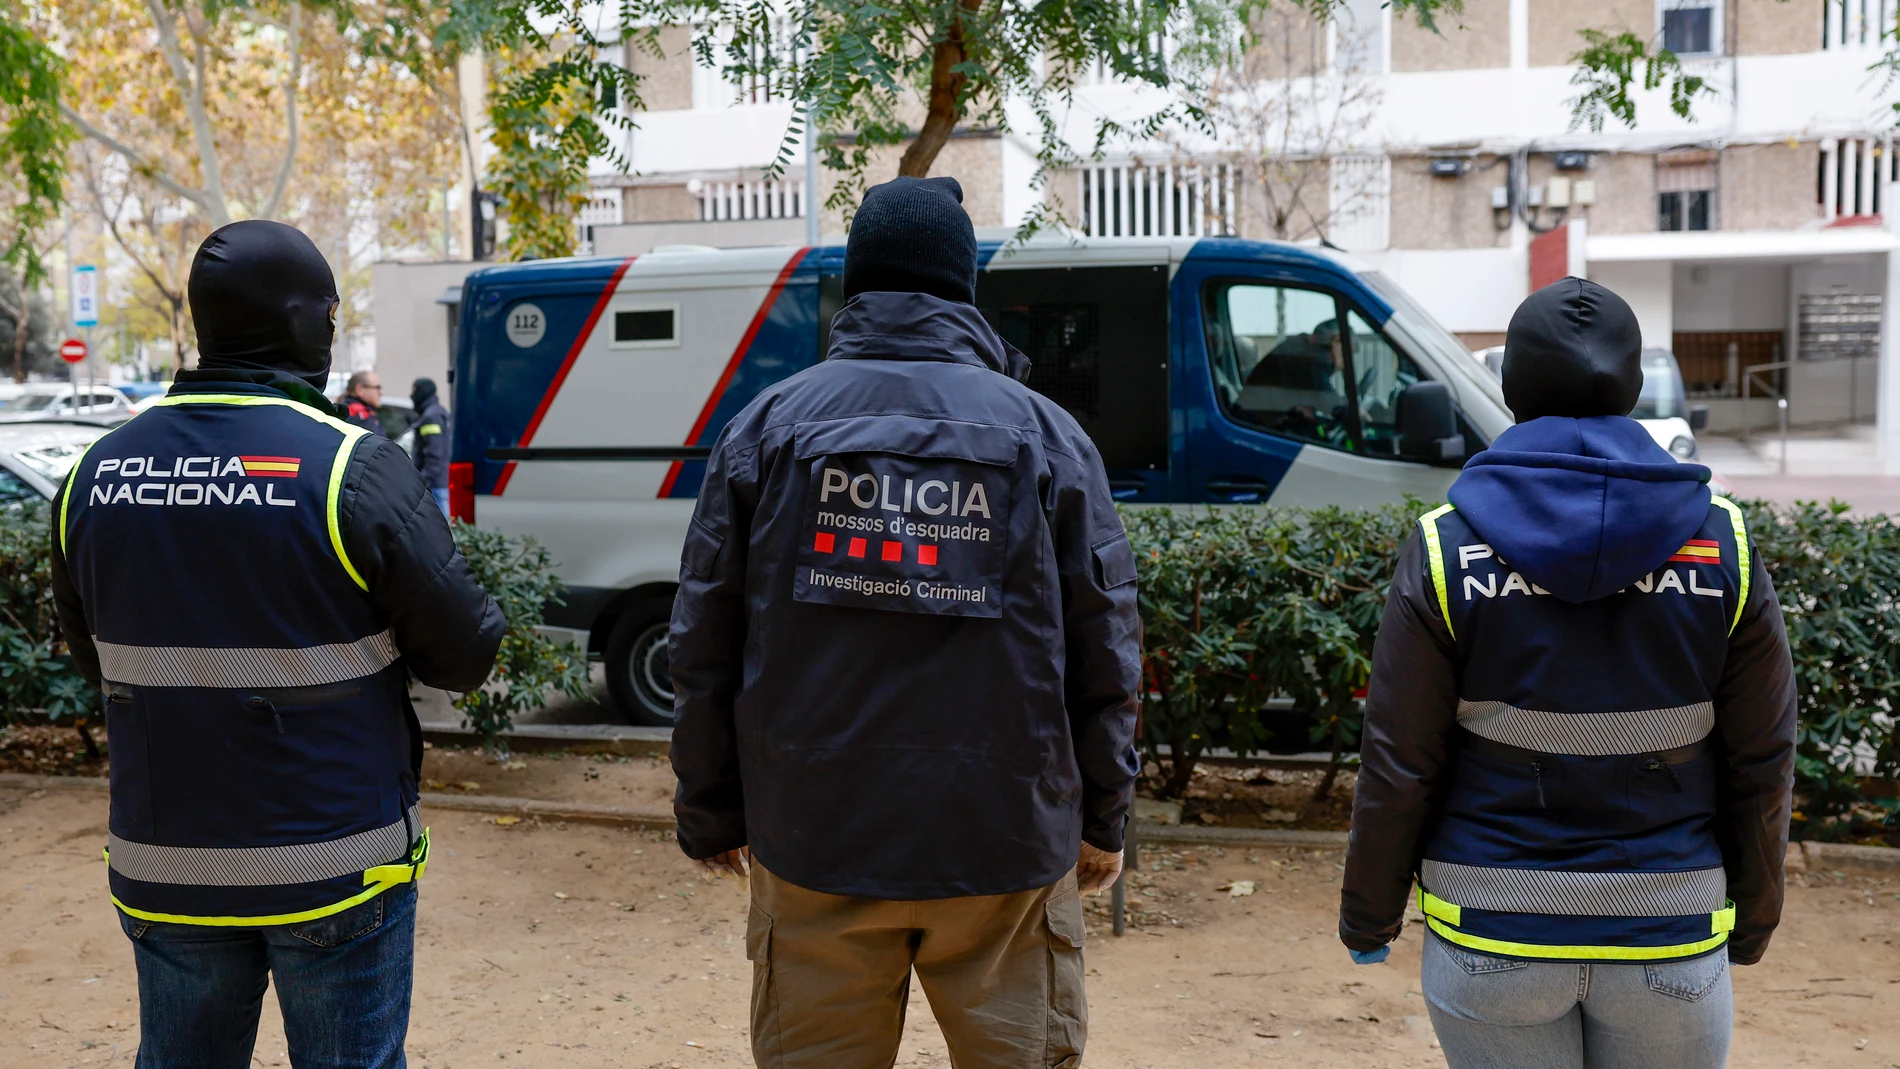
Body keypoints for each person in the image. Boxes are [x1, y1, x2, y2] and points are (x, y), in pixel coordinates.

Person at [668, 176, 1142, 1069]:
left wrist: (711, 808)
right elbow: (1105, 643)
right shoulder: (1046, 436)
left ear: (859, 283)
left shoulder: (768, 429)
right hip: (1006, 847)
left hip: (815, 840)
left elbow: (703, 639)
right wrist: (1105, 816)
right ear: (964, 287)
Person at [50, 220, 507, 1069]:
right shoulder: (350, 469)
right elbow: (465, 652)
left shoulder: (93, 476)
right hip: (333, 863)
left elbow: (96, 659)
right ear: (304, 324)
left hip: (168, 862)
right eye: (329, 317)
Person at [1338, 277, 1796, 1069]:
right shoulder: (1723, 544)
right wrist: (1753, 912)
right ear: (1630, 382)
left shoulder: (1448, 548)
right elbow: (1763, 755)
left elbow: (1399, 761)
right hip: (1669, 929)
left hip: (1491, 929)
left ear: (1512, 384)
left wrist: (1369, 914)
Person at [410, 377, 451, 517]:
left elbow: (434, 454)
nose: (412, 396)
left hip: (435, 485)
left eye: (415, 391)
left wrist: (424, 482)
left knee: (440, 525)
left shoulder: (431, 416)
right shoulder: (434, 412)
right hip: (436, 482)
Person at [343, 370, 386, 436]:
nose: (381, 393)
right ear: (359, 389)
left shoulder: (347, 411)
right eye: (377, 388)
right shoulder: (359, 415)